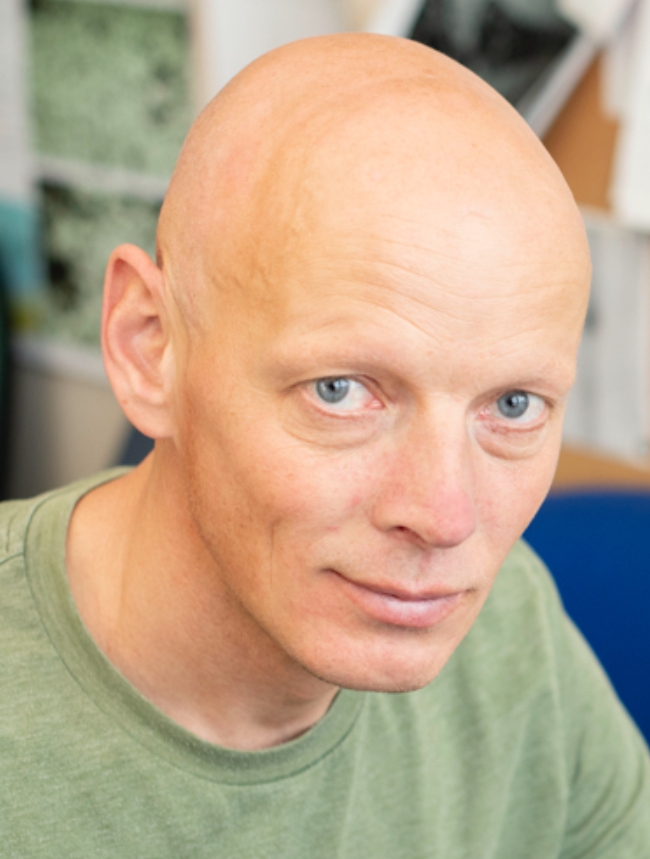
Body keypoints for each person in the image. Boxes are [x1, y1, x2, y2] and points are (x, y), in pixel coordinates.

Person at [1, 33, 648, 856]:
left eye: (513, 406)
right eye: (340, 391)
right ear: (149, 346)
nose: (444, 517)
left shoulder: (514, 630)